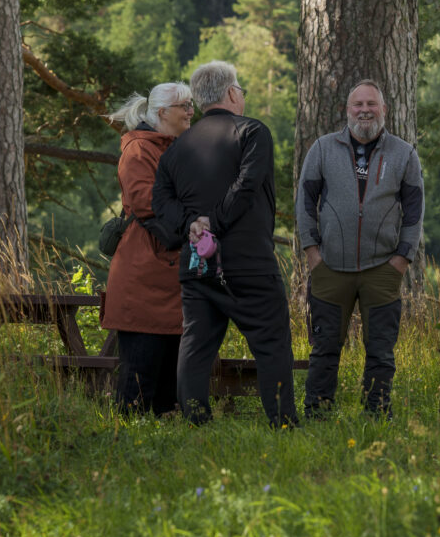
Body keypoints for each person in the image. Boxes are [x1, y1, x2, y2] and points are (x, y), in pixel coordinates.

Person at [151, 60, 298, 427]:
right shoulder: (252, 133)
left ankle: (197, 421)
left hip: (197, 265)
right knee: (271, 342)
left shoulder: (175, 150)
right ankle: (282, 422)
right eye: (241, 91)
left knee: (197, 346)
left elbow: (160, 203)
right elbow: (247, 186)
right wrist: (212, 223)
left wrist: (192, 225)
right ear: (232, 93)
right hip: (248, 261)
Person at [296, 80, 424, 419]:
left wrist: (402, 259)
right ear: (347, 110)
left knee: (381, 351)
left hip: (382, 268)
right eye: (358, 105)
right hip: (330, 268)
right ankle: (318, 413)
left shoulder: (404, 153)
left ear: (384, 110)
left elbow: (414, 212)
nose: (365, 110)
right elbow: (304, 202)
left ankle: (376, 414)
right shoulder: (323, 149)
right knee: (324, 348)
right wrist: (312, 252)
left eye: (372, 104)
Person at [101, 82, 195, 415]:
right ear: (161, 113)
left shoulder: (179, 147)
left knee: (169, 373)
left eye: (191, 105)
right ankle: (126, 437)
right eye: (183, 105)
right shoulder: (139, 150)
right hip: (143, 272)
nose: (190, 111)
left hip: (172, 275)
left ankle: (164, 438)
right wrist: (193, 218)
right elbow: (146, 202)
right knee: (139, 371)